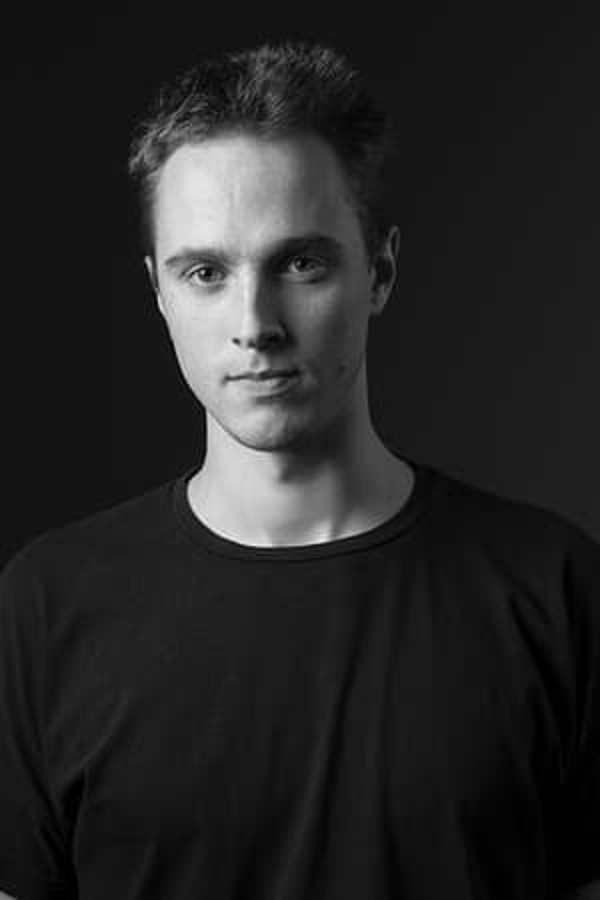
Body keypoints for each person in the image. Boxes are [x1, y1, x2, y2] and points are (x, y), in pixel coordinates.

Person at [0, 40, 598, 900]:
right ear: (160, 292)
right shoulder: (46, 609)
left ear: (380, 271)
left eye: (300, 263)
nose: (255, 323)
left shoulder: (555, 592)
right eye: (206, 272)